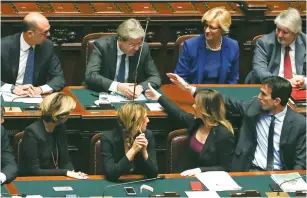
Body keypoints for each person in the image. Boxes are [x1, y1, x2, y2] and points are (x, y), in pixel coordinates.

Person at [167, 73, 306, 171]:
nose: (259, 97)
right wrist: (189, 88)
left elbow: (300, 161)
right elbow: (225, 100)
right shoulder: (254, 107)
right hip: (250, 170)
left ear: (277, 101)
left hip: (282, 173)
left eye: (264, 94)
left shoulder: (300, 123)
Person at [145, 83, 235, 176]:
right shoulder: (197, 122)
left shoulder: (224, 134)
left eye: (196, 104)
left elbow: (225, 168)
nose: (193, 106)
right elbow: (179, 113)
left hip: (207, 180)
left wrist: (200, 170)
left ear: (205, 109)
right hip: (182, 176)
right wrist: (159, 97)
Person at [85, 18, 161, 99]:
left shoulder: (143, 48)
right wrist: (117, 86)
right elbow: (91, 76)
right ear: (120, 40)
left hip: (131, 99)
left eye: (139, 44)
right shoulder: (103, 46)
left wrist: (140, 87)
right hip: (104, 95)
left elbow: (155, 77)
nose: (137, 48)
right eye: (132, 45)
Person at [20, 93, 88, 179]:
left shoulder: (60, 128)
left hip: (57, 177)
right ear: (63, 116)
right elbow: (34, 170)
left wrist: (73, 174)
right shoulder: (32, 132)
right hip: (35, 180)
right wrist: (65, 172)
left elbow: (65, 159)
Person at [1, 12, 65, 97]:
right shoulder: (3, 46)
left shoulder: (47, 46)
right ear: (30, 33)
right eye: (45, 32)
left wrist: (40, 89)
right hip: (8, 95)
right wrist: (13, 88)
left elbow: (59, 78)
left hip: (36, 97)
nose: (49, 34)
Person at [174, 7, 239, 84]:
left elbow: (233, 79)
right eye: (206, 26)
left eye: (212, 28)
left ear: (223, 29)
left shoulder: (233, 46)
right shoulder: (191, 45)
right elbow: (180, 78)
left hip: (221, 94)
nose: (207, 30)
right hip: (194, 92)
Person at [246, 8, 306, 87]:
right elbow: (259, 71)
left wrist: (303, 81)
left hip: (299, 89)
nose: (280, 35)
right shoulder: (264, 42)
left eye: (285, 32)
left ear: (296, 33)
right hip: (271, 89)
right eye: (278, 29)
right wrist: (286, 83)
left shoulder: (305, 42)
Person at [101, 102, 158, 181]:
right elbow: (112, 174)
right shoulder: (108, 138)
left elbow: (153, 174)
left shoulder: (147, 135)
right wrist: (133, 150)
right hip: (115, 184)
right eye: (144, 118)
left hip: (139, 183)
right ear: (134, 122)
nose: (148, 120)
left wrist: (144, 152)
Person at [0, 106, 18, 184]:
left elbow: (10, 165)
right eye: (1, 118)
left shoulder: (1, 131)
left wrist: (2, 177)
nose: (3, 121)